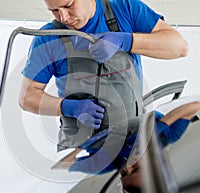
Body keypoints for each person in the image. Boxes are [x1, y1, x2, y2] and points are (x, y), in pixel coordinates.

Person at [19, 0, 188, 151]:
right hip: (81, 149)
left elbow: (179, 47)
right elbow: (27, 97)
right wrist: (68, 107)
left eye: (68, 6)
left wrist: (127, 41)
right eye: (54, 10)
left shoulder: (125, 9)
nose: (63, 17)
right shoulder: (48, 39)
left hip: (132, 141)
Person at [52, 101, 200, 177]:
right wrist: (161, 126)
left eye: (123, 174)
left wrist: (83, 146)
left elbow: (60, 165)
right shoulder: (167, 137)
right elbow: (195, 106)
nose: (127, 168)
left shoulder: (105, 165)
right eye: (136, 169)